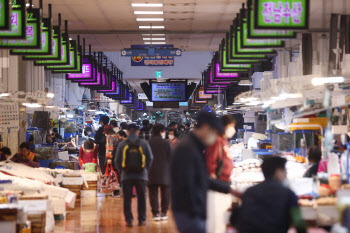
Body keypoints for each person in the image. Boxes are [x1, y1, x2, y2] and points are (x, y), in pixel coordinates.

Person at [170, 111, 240, 233]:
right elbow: (187, 183)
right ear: (206, 128)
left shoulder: (193, 146)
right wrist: (197, 212)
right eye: (214, 132)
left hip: (191, 211)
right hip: (189, 212)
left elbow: (201, 178)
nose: (214, 137)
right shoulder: (187, 149)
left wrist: (229, 189)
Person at [237, 156, 306, 233]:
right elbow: (299, 223)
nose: (286, 174)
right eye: (284, 170)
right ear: (278, 172)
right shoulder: (288, 194)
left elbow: (241, 220)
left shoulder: (249, 192)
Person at [116, 124, 153, 227]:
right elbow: (150, 158)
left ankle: (129, 220)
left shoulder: (122, 144)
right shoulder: (144, 144)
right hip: (141, 176)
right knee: (141, 198)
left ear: (127, 132)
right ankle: (142, 219)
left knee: (127, 199)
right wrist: (145, 170)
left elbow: (117, 160)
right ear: (138, 131)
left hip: (126, 175)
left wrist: (122, 171)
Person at [205, 115, 236, 233]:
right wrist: (214, 181)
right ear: (225, 126)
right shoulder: (216, 140)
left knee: (222, 216)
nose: (233, 129)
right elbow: (210, 162)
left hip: (224, 183)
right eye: (231, 126)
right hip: (217, 185)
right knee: (217, 218)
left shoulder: (223, 140)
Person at [148, 123, 172, 221]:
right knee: (166, 192)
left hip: (151, 171)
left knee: (153, 193)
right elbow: (172, 157)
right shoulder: (166, 143)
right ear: (161, 131)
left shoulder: (148, 142)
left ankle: (155, 213)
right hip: (165, 172)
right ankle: (164, 212)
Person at [104, 124, 120, 197]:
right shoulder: (116, 135)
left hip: (111, 157)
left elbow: (110, 148)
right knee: (115, 173)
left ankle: (116, 191)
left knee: (113, 174)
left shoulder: (110, 136)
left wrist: (109, 158)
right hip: (116, 157)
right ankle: (115, 190)